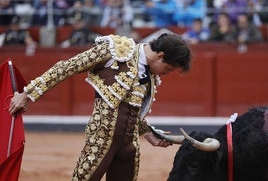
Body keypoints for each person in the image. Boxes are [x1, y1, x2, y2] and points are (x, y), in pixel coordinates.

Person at [9, 33, 192, 181]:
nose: (166, 74)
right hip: (102, 139)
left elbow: (131, 109)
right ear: (160, 56)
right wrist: (27, 94)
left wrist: (147, 133)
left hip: (129, 145)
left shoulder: (151, 76)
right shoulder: (116, 51)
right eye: (169, 69)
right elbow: (67, 68)